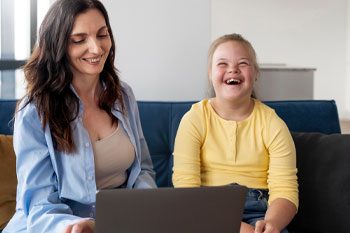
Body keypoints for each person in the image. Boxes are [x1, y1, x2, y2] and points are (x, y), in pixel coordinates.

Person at [3, 0, 157, 232]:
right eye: (79, 40)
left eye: (102, 35)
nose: (96, 48)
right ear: (58, 45)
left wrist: (146, 208)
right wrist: (73, 226)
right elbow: (39, 203)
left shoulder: (122, 95)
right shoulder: (34, 111)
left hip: (116, 224)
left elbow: (142, 170)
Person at [172, 33, 298, 233]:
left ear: (255, 73)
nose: (233, 69)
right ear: (210, 73)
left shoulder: (273, 124)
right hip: (205, 209)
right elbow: (186, 189)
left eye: (243, 63)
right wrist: (236, 228)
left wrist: (272, 225)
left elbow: (285, 190)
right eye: (222, 64)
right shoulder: (194, 119)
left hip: (260, 212)